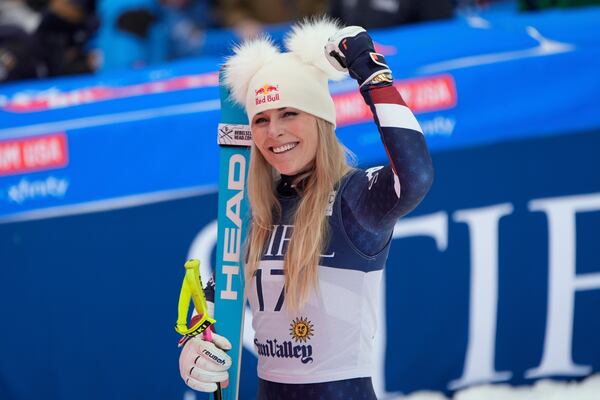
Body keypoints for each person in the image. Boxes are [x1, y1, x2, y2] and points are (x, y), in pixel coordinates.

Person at [178, 18, 434, 399]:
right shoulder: (254, 212)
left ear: (320, 121)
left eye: (289, 114)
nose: (274, 132)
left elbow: (415, 176)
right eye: (261, 120)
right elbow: (221, 295)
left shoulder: (355, 199)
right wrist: (196, 338)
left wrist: (372, 77)